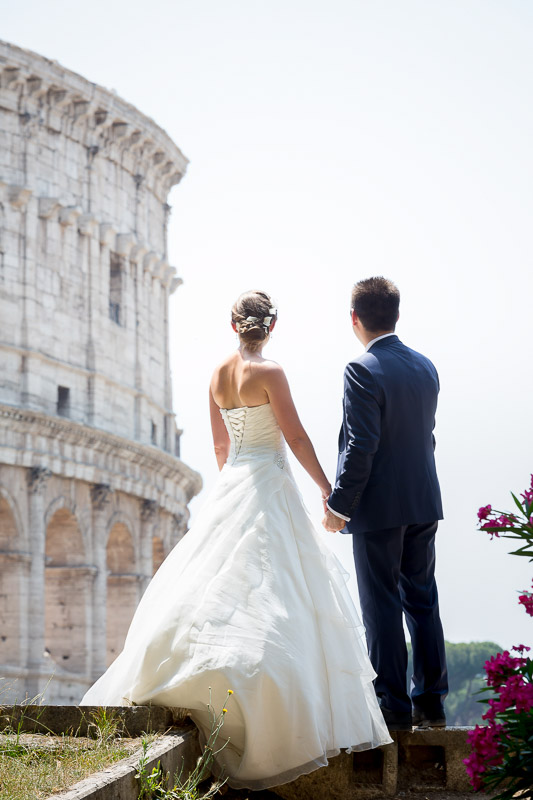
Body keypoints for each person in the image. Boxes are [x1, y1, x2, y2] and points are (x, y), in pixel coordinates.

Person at [81, 290, 391, 790]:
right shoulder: (271, 372)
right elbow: (295, 437)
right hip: (269, 479)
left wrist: (232, 488)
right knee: (275, 588)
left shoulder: (217, 374)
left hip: (234, 482)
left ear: (235, 327)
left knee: (216, 584)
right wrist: (326, 488)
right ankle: (269, 700)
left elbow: (221, 447)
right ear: (272, 326)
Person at [322, 277, 448, 732]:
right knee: (422, 600)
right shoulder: (426, 366)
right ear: (397, 314)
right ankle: (431, 702)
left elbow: (362, 445)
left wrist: (340, 505)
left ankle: (392, 706)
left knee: (381, 604)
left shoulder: (361, 368)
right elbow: (425, 436)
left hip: (378, 505)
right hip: (424, 499)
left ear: (354, 318)